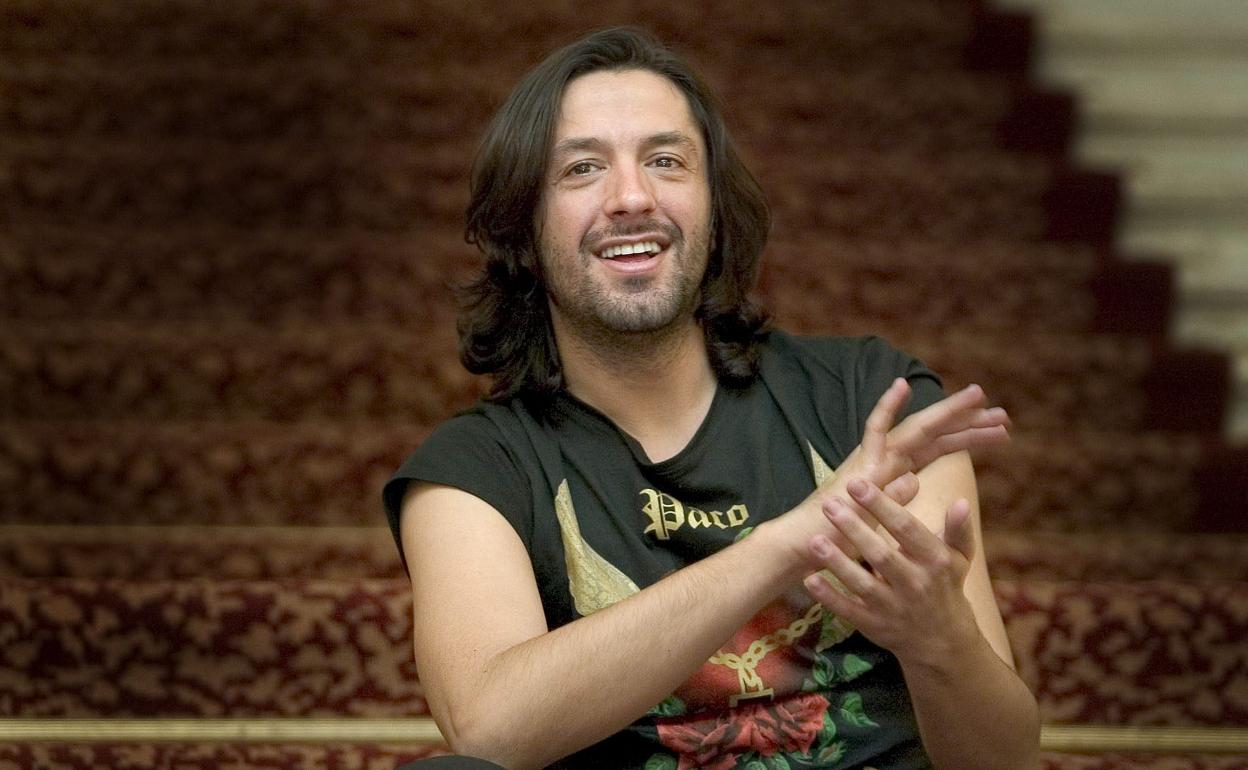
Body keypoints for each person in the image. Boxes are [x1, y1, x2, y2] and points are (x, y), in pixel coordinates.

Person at [383, 27, 1041, 770]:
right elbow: (489, 730)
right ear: (523, 228)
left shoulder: (870, 402)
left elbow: (1006, 762)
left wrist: (941, 642)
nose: (632, 197)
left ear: (715, 207)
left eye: (666, 161)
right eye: (581, 168)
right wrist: (791, 541)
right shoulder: (474, 471)